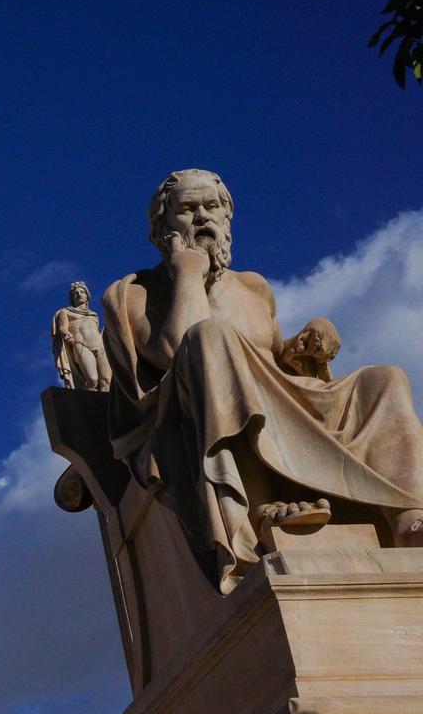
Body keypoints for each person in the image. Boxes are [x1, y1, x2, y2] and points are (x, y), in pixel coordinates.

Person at [103, 169, 423, 591]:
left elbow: (272, 363)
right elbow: (178, 348)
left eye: (212, 207)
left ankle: (407, 515)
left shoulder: (254, 287)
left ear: (228, 216)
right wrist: (188, 275)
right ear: (163, 228)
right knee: (210, 338)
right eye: (188, 209)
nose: (203, 217)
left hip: (264, 394)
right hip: (184, 414)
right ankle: (259, 507)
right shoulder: (133, 293)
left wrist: (306, 344)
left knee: (383, 380)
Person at [52, 282, 110, 390]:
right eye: (75, 293)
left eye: (82, 292)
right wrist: (67, 334)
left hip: (100, 346)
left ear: (87, 296)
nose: (79, 294)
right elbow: (62, 328)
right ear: (72, 298)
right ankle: (87, 403)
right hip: (82, 345)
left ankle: (108, 406)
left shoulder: (94, 315)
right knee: (92, 380)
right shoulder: (65, 312)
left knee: (106, 381)